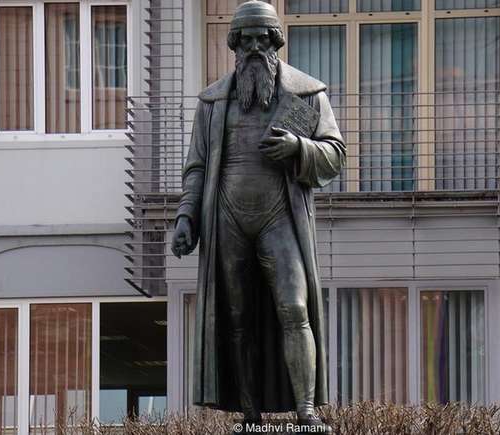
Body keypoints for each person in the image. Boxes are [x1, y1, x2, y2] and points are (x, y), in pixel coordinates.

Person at [171, 1, 345, 430]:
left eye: (262, 37)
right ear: (233, 44)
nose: (253, 46)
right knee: (237, 316)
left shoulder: (306, 94)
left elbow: (334, 155)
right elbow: (196, 166)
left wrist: (299, 149)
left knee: (293, 307)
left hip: (279, 216)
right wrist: (185, 217)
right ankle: (250, 415)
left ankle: (305, 409)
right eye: (245, 39)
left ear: (276, 41)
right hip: (227, 218)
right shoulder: (213, 101)